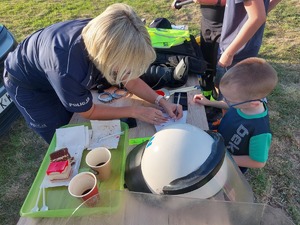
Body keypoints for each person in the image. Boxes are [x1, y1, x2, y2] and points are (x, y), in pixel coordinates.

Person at [3, 3, 183, 144]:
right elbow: (88, 112)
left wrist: (161, 101)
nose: (128, 73)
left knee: (76, 121)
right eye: (125, 66)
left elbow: (130, 80)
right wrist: (136, 111)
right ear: (108, 56)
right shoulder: (68, 68)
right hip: (28, 85)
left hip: (53, 68)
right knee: (64, 135)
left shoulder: (107, 34)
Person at [193, 57, 278, 172]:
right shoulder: (244, 103)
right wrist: (208, 102)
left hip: (229, 166)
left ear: (252, 104)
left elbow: (259, 162)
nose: (227, 102)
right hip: (219, 144)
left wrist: (223, 158)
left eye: (230, 100)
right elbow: (230, 106)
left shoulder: (260, 130)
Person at [215, 0, 282, 87]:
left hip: (236, 51)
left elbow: (257, 17)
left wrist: (229, 54)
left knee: (229, 93)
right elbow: (258, 14)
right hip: (240, 47)